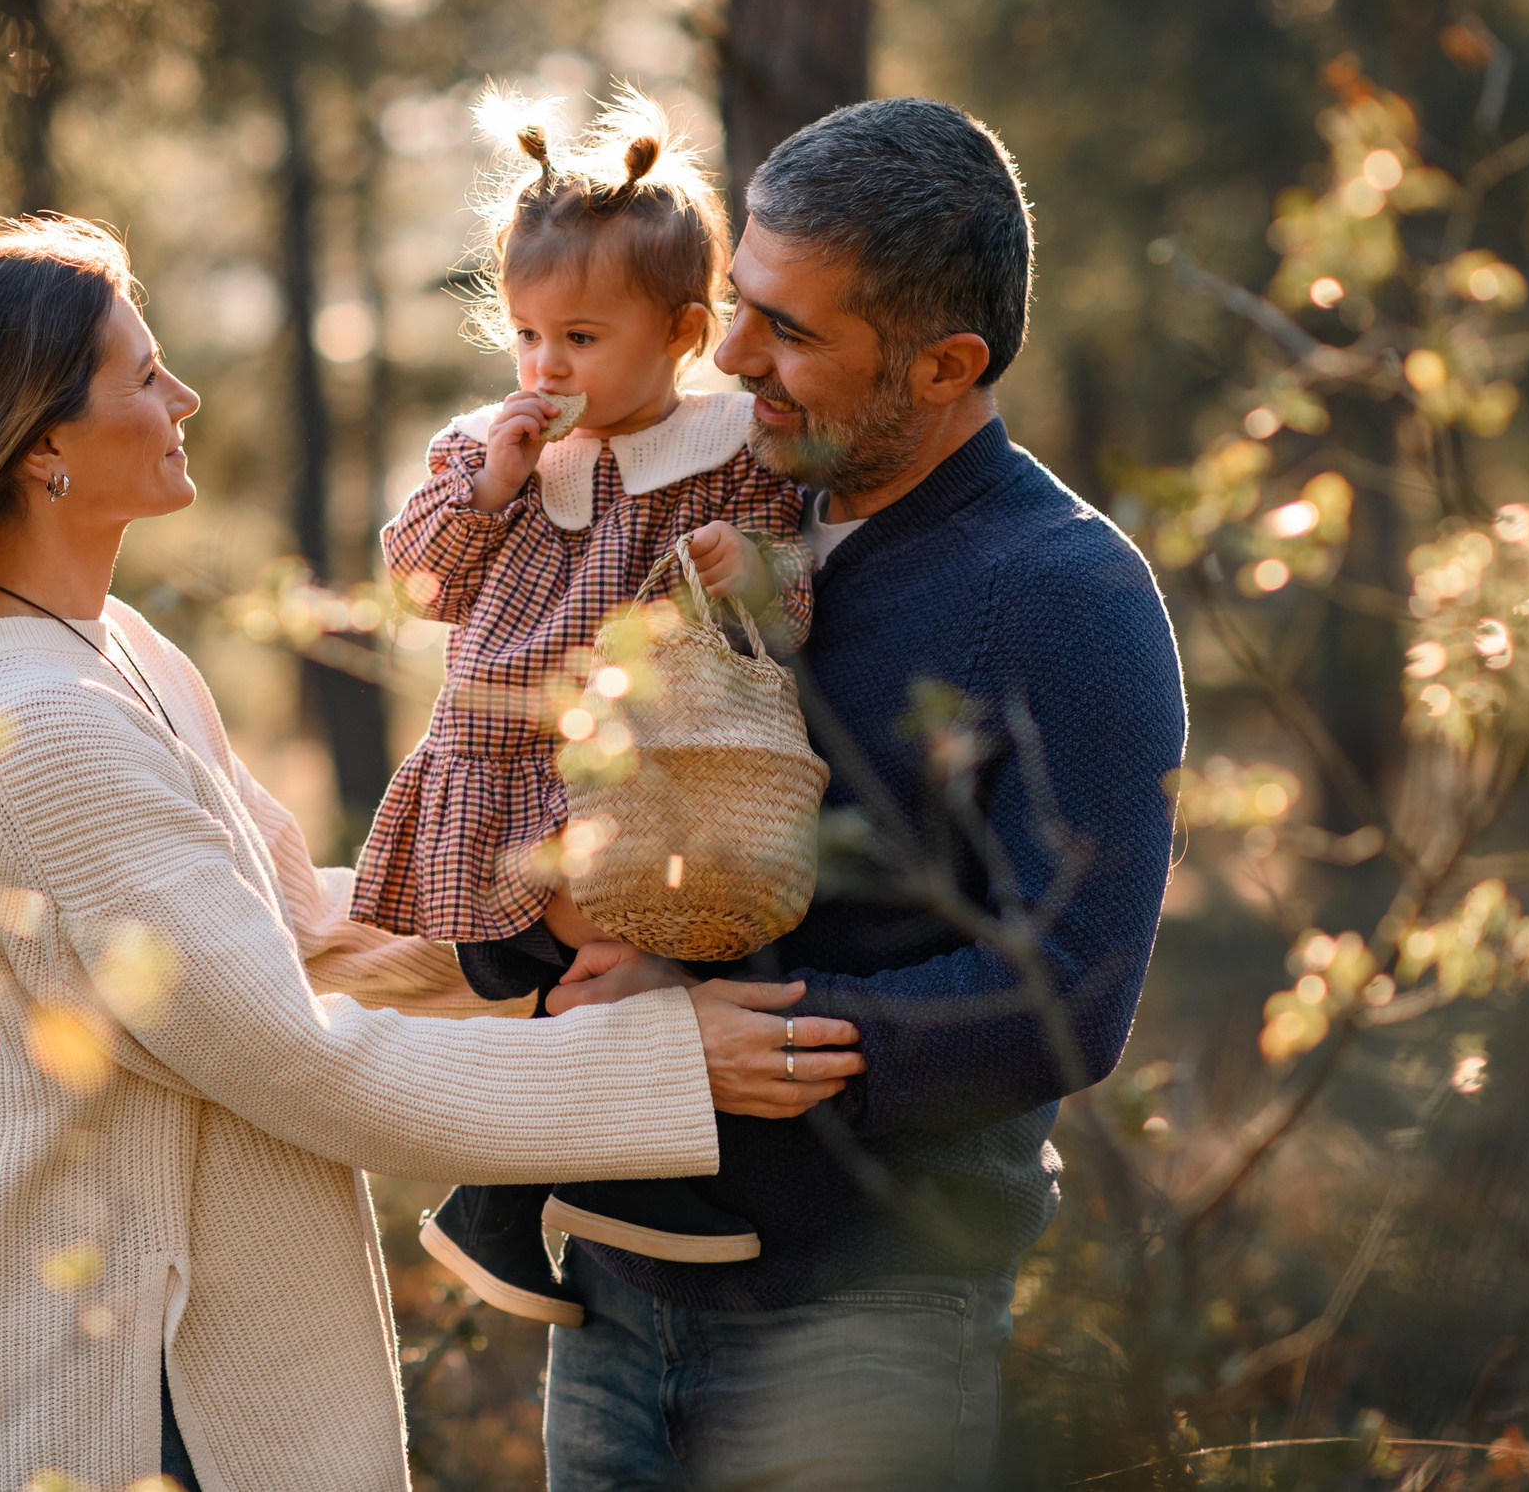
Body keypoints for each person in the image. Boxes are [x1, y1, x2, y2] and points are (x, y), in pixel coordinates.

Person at [0, 216, 866, 1492]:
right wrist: (664, 1062)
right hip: (136, 1402)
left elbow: (294, 927)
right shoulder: (39, 726)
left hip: (194, 1369)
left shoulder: (113, 651)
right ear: (45, 443)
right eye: (144, 375)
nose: (184, 395)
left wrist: (545, 941)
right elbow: (296, 1054)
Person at [477, 98, 1189, 1490]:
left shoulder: (1067, 595)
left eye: (791, 332)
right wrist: (538, 914)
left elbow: (1070, 985)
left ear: (945, 364)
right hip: (612, 1292)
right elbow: (532, 851)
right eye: (739, 301)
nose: (731, 357)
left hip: (868, 1317)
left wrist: (745, 1044)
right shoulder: (676, 518)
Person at [352, 92, 817, 1326]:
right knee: (622, 959)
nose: (545, 369)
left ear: (680, 333)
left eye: (580, 338)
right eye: (525, 335)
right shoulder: (489, 448)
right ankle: (578, 1189)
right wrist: (494, 488)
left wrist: (749, 570)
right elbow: (416, 585)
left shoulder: (731, 453)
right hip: (506, 771)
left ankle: (517, 1202)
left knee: (648, 954)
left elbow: (788, 612)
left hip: (650, 770)